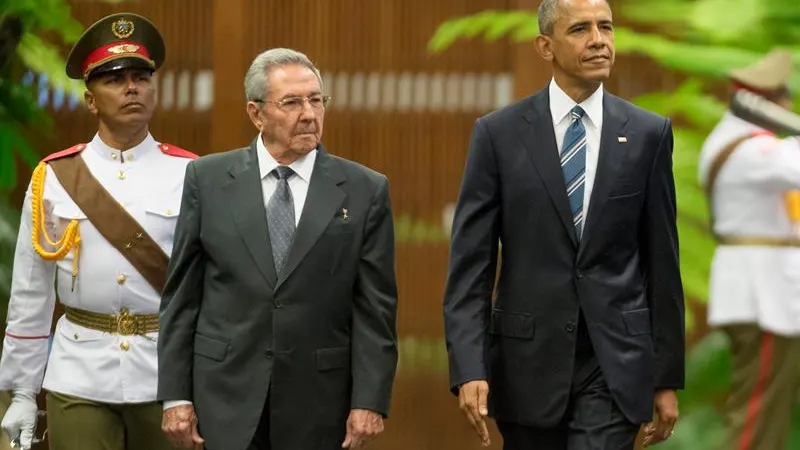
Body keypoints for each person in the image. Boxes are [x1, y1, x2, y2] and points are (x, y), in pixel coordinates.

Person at [442, 0, 686, 449]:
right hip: (525, 367)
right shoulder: (498, 134)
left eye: (606, 27)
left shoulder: (648, 134)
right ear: (545, 46)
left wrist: (666, 377)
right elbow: (470, 266)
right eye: (580, 30)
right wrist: (469, 367)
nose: (599, 40)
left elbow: (662, 262)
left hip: (614, 366)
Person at [156, 47, 399, 450]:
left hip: (320, 404)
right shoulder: (208, 179)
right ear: (256, 113)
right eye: (292, 102)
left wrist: (370, 401)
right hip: (223, 399)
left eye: (316, 100)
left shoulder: (365, 189)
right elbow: (181, 297)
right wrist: (176, 396)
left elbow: (376, 309)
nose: (309, 113)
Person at [0, 12, 196, 450]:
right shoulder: (53, 177)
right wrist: (22, 392)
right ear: (91, 100)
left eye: (141, 77)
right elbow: (31, 293)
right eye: (115, 79)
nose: (132, 88)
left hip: (167, 377)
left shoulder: (193, 174)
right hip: (79, 372)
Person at [698, 49, 800, 450]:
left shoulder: (748, 144)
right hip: (763, 297)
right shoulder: (749, 148)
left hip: (768, 293)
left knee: (768, 409)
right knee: (756, 413)